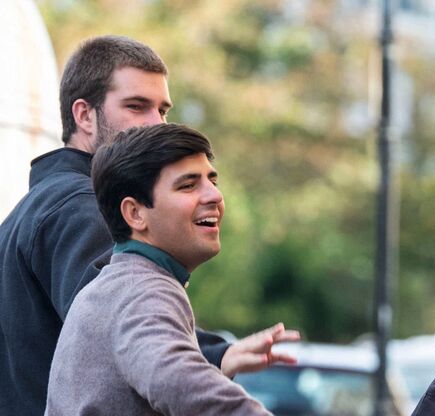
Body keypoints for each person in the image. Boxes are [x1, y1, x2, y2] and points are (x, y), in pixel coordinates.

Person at [0, 35, 298, 415]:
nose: (155, 123)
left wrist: (215, 354)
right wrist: (206, 359)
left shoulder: (34, 206)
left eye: (163, 110)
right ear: (83, 115)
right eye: (137, 106)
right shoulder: (79, 206)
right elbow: (135, 317)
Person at [46, 123, 271, 415]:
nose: (214, 196)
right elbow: (178, 381)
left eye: (212, 181)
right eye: (188, 185)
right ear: (135, 213)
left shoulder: (114, 284)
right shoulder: (145, 291)